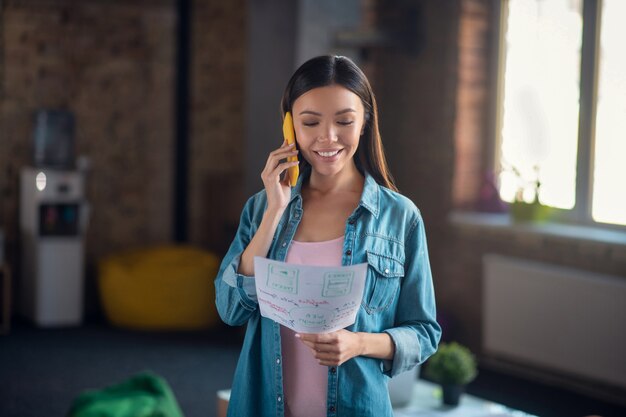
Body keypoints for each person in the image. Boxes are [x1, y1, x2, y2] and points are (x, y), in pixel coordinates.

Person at [215, 55, 441, 417]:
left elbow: (424, 332)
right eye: (310, 122)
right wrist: (275, 210)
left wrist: (358, 343)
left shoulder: (401, 217)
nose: (327, 137)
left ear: (364, 121)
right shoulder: (261, 208)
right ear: (290, 126)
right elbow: (229, 309)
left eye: (344, 121)